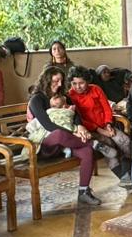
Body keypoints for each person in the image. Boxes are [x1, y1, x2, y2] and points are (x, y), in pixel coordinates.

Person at [26, 72, 101, 206]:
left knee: (87, 152)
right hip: (44, 145)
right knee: (60, 134)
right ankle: (94, 143)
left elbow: (75, 113)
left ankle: (83, 192)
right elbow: (48, 126)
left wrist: (79, 127)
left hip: (66, 145)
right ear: (46, 80)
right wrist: (74, 133)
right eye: (56, 81)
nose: (59, 84)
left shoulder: (63, 97)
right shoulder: (36, 100)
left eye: (61, 81)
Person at [69, 71, 132, 188]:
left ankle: (127, 175)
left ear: (88, 82)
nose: (77, 87)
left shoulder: (95, 89)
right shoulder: (70, 95)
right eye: (74, 83)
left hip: (105, 125)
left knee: (125, 141)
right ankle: (124, 177)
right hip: (90, 130)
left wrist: (108, 124)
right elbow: (79, 119)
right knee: (110, 147)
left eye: (81, 83)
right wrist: (99, 130)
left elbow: (106, 108)